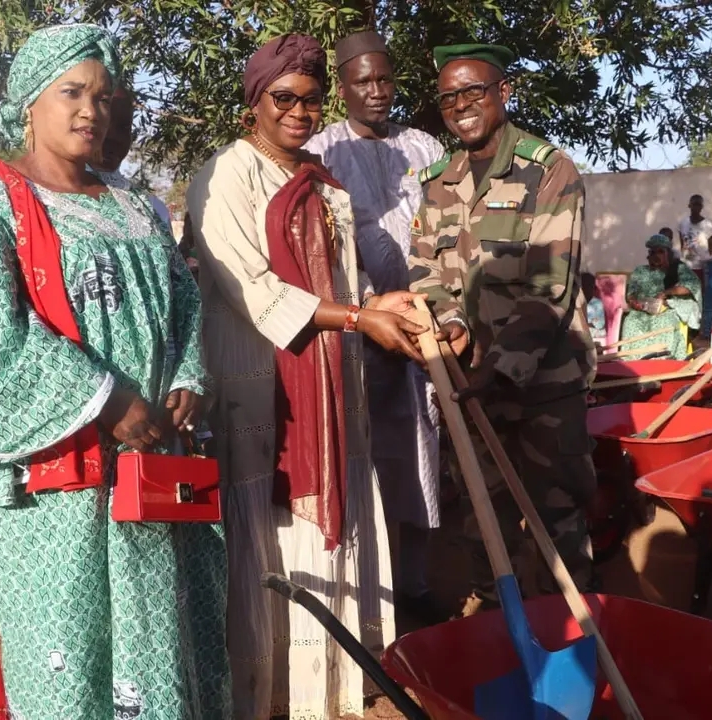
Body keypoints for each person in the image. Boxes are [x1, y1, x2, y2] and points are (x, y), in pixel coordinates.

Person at [0, 24, 230, 719]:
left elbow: (186, 300)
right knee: (67, 665)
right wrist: (106, 398)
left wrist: (189, 377)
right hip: (57, 488)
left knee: (162, 650)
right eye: (72, 93)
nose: (92, 111)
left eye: (104, 97)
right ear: (28, 102)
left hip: (151, 472)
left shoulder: (136, 205)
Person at [186, 33, 427, 720]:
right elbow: (253, 291)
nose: (299, 110)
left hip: (332, 385)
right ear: (253, 104)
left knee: (336, 514)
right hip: (258, 390)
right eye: (283, 98)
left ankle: (331, 694)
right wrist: (357, 318)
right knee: (268, 534)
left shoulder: (326, 184)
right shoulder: (226, 176)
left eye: (311, 99)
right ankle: (266, 700)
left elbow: (342, 284)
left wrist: (377, 305)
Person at [407, 43, 599, 616]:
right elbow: (429, 275)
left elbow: (550, 287)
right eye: (448, 97)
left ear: (503, 93)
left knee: (558, 516)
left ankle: (575, 634)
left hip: (544, 382)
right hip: (471, 383)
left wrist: (497, 368)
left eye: (473, 92)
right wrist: (451, 329)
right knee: (482, 519)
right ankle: (500, 629)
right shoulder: (438, 181)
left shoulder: (550, 170)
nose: (461, 105)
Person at [304, 29, 446, 624]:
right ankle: (368, 595)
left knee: (420, 454)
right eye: (363, 81)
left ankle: (413, 588)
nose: (377, 91)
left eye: (385, 79)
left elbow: (444, 232)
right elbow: (319, 247)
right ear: (343, 88)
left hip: (423, 328)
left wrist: (427, 306)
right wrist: (369, 306)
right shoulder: (320, 151)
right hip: (356, 331)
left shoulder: (425, 147)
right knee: (360, 459)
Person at [94, 83, 172, 227]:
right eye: (103, 124)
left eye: (123, 127)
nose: (113, 137)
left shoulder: (154, 209)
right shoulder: (46, 203)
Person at [620, 233, 702, 360]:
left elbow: (691, 286)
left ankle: (664, 360)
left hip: (665, 310)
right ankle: (635, 362)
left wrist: (666, 293)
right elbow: (631, 293)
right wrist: (633, 302)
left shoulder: (677, 269)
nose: (656, 256)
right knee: (630, 321)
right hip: (642, 312)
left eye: (660, 252)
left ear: (667, 254)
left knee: (666, 323)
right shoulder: (640, 271)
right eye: (653, 252)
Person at [677, 194, 712, 279]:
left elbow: (711, 246)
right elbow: (682, 244)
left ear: (702, 207)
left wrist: (702, 258)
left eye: (699, 205)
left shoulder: (707, 224)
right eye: (694, 204)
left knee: (701, 290)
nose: (696, 207)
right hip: (687, 267)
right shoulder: (683, 223)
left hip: (702, 266)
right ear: (689, 206)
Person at [582, 272, 606, 346]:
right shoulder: (576, 301)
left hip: (594, 333)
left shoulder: (597, 303)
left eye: (591, 287)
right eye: (585, 287)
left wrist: (588, 323)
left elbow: (600, 325)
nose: (588, 290)